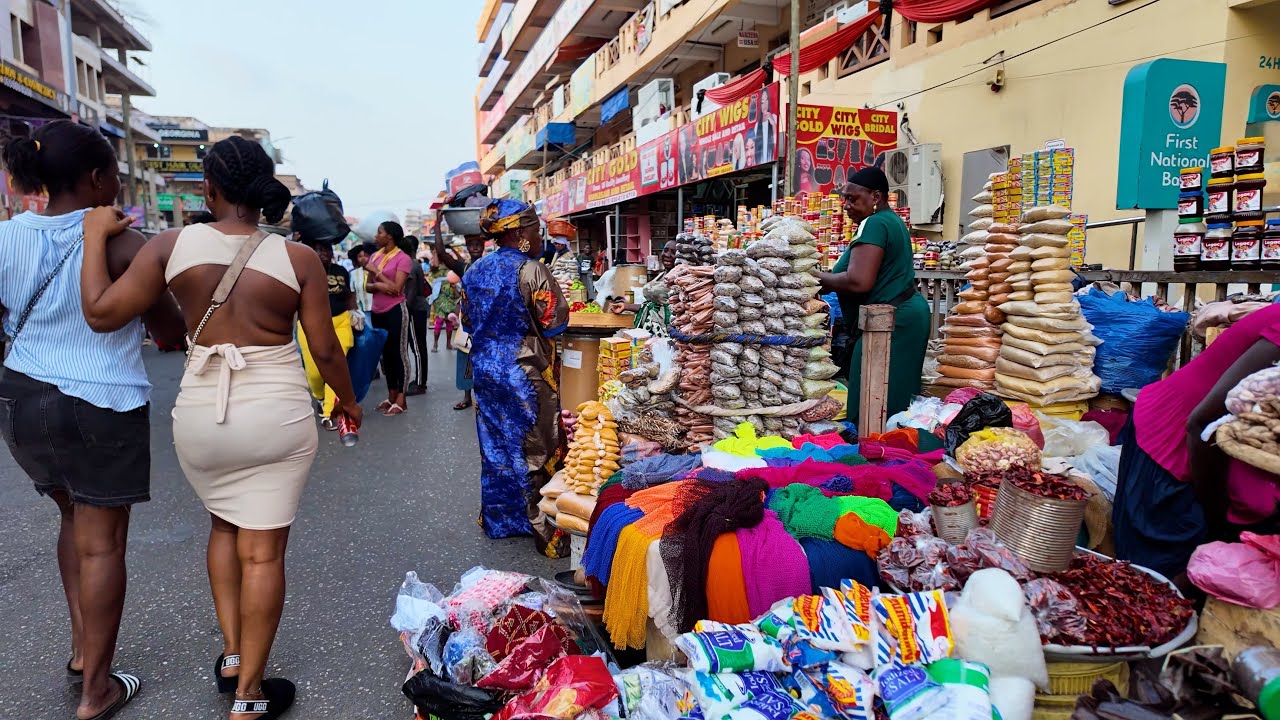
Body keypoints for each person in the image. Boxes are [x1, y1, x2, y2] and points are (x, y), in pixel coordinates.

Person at [79, 135, 361, 720]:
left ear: (208, 188)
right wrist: (348, 401)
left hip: (203, 412)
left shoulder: (169, 246)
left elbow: (101, 313)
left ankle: (232, 657)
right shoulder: (299, 259)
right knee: (264, 551)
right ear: (264, 190)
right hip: (275, 412)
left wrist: (91, 237)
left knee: (224, 526)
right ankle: (250, 696)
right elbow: (327, 350)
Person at [0, 120, 184, 720]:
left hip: (22, 399)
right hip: (100, 402)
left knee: (69, 516)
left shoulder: (5, 238)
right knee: (102, 542)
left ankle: (83, 651)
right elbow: (169, 330)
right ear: (97, 177)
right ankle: (97, 690)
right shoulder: (124, 245)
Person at [1113, 304, 1280, 581]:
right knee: (1152, 579)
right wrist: (1215, 517)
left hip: (1195, 442)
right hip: (1172, 439)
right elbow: (1199, 422)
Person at [462, 199, 569, 554]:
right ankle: (544, 530)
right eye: (536, 230)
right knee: (536, 448)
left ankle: (501, 519)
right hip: (524, 373)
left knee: (495, 446)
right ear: (521, 234)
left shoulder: (475, 270)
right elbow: (554, 322)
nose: (539, 237)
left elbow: (466, 322)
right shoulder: (531, 270)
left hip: (485, 370)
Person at [817, 167, 928, 426]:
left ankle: (879, 451)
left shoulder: (875, 223)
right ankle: (890, 447)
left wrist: (816, 278)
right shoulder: (890, 221)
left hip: (892, 322)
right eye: (844, 198)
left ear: (875, 196)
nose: (846, 205)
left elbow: (858, 282)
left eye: (852, 198)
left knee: (876, 399)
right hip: (898, 317)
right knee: (891, 399)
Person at [296, 241, 357, 431]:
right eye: (318, 249)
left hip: (340, 322)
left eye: (326, 249)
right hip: (310, 324)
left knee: (336, 366)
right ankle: (320, 397)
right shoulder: (302, 270)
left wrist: (355, 312)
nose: (323, 253)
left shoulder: (340, 271)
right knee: (314, 372)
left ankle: (329, 412)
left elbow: (348, 294)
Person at [434, 216, 486, 411]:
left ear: (482, 246)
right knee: (465, 357)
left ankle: (485, 398)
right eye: (471, 244)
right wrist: (438, 225)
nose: (474, 247)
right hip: (468, 319)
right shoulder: (464, 268)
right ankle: (467, 396)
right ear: (467, 247)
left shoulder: (491, 264)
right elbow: (441, 252)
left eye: (477, 244)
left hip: (488, 320)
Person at [366, 221, 418, 416]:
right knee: (385, 356)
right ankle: (391, 395)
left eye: (379, 232)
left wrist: (376, 274)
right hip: (377, 310)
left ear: (390, 236)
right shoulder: (374, 256)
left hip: (395, 310)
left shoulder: (402, 258)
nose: (376, 235)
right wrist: (380, 285)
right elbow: (368, 286)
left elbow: (396, 289)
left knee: (399, 354)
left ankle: (401, 398)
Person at [609, 240, 677, 337]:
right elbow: (650, 306)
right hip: (652, 331)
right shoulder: (662, 275)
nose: (667, 255)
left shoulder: (680, 278)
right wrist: (626, 306)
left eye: (673, 252)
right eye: (665, 250)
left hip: (668, 333)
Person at [401, 235, 429, 397]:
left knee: (417, 348)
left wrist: (405, 310)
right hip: (418, 308)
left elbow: (410, 292)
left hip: (414, 310)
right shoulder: (415, 263)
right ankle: (420, 380)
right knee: (419, 346)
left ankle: (420, 383)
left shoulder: (410, 265)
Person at [347, 242, 375, 314]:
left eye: (366, 255)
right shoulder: (353, 274)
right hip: (362, 312)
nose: (363, 259)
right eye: (360, 256)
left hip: (377, 310)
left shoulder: (377, 271)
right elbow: (352, 293)